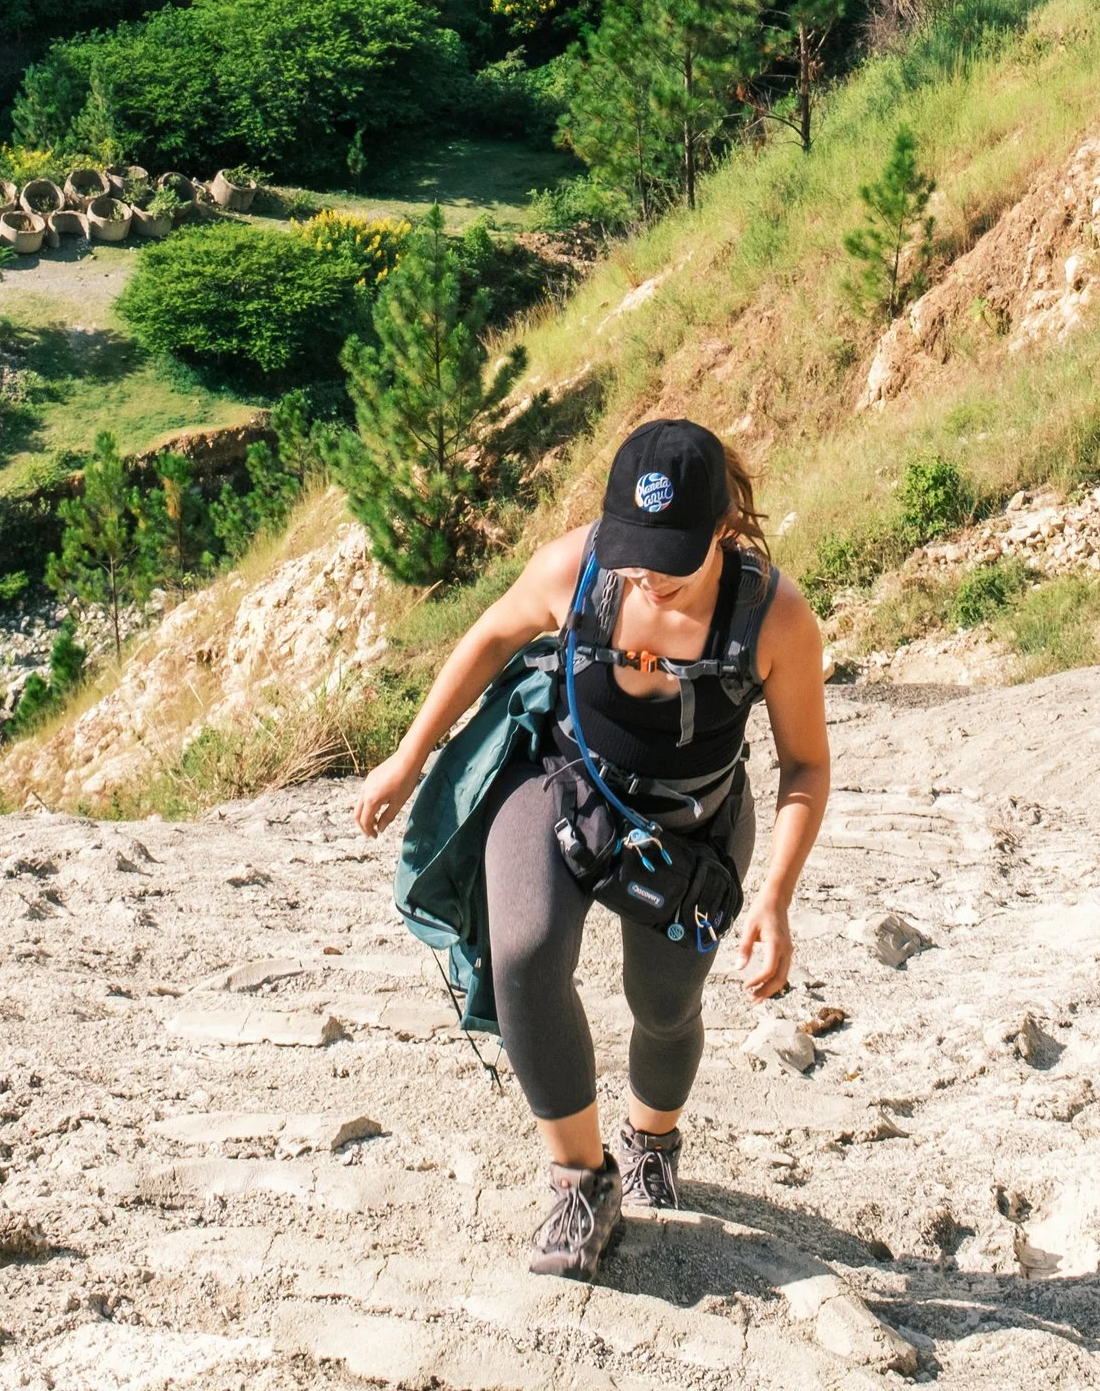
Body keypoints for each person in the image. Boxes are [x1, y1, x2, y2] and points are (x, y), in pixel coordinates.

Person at [355, 415, 830, 1279]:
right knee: (524, 954)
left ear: (722, 528)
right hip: (569, 786)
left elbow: (804, 765)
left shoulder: (774, 616)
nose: (648, 578)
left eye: (670, 558)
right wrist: (408, 754)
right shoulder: (580, 568)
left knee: (663, 1007)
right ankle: (582, 1180)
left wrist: (775, 898)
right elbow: (492, 635)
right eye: (633, 552)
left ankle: (651, 1141)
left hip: (691, 832)